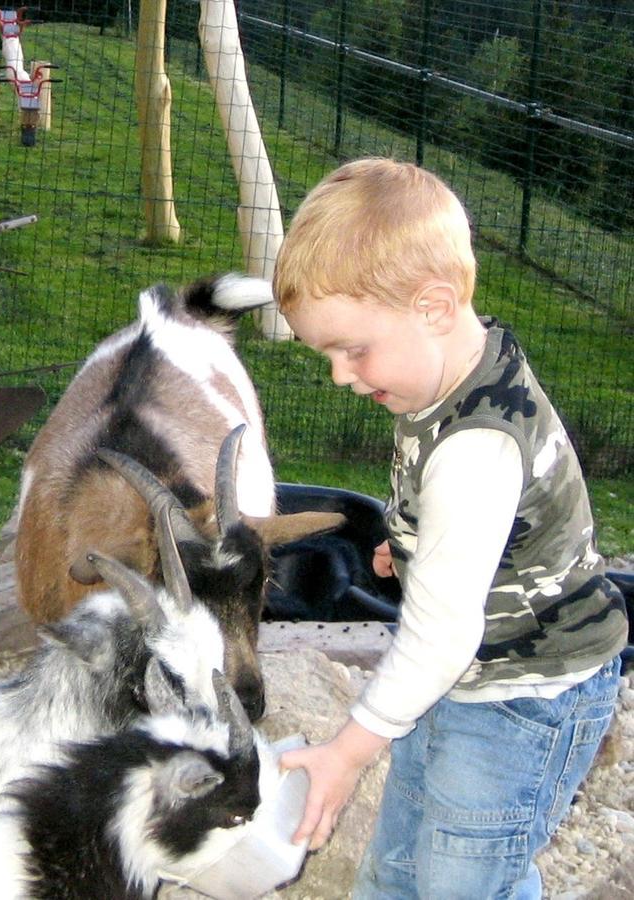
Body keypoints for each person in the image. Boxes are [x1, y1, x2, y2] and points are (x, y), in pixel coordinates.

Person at [272, 157, 628, 899]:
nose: (341, 375)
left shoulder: (477, 446)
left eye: (352, 348)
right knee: (400, 869)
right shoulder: (446, 369)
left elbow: (440, 632)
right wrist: (409, 542)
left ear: (434, 307)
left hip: (525, 697)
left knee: (469, 882)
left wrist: (350, 749)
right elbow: (458, 515)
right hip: (462, 677)